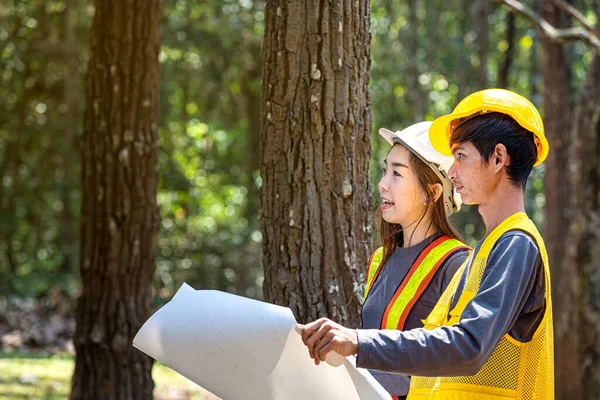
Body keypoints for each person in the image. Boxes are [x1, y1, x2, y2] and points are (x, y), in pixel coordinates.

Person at [300, 89, 554, 400]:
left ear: (498, 158)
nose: (452, 170)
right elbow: (436, 355)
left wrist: (360, 342)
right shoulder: (486, 251)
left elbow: (469, 346)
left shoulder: (516, 243)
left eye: (460, 156)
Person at [362, 122, 470, 399]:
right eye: (386, 170)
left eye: (397, 173)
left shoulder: (456, 264)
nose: (382, 183)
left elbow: (457, 367)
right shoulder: (379, 260)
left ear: (431, 193)